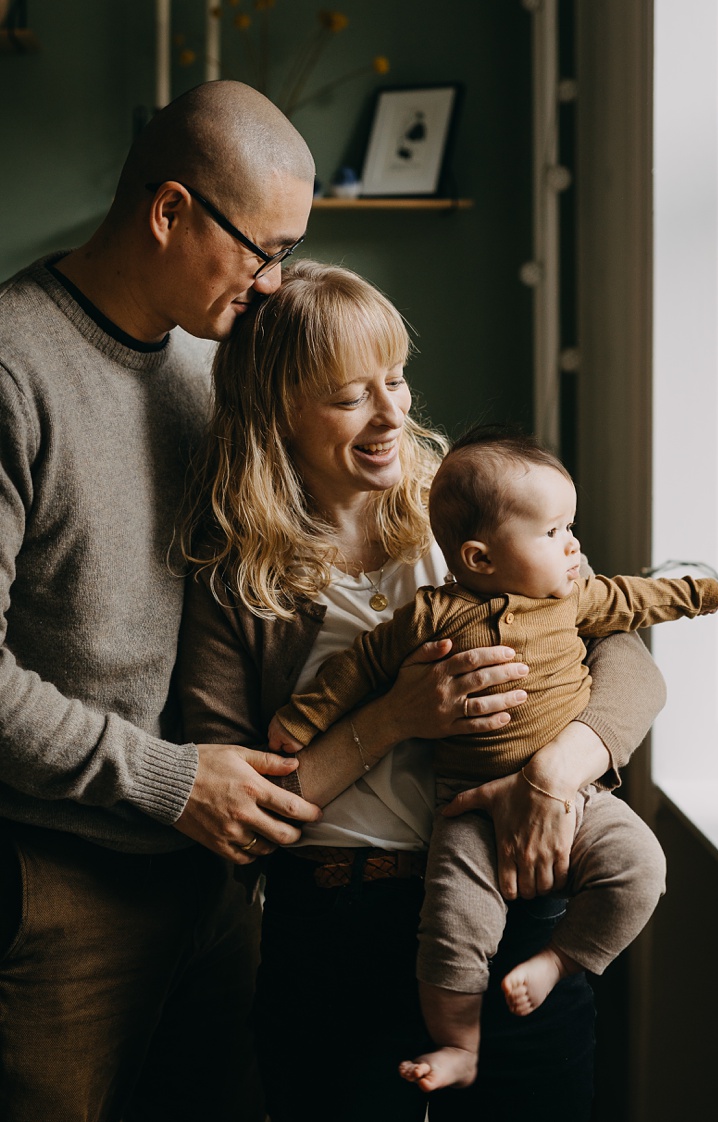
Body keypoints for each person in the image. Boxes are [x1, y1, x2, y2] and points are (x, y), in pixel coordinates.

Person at [175, 260, 667, 1120]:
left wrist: (559, 771)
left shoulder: (473, 515)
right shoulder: (235, 578)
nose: (392, 412)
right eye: (349, 396)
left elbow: (629, 658)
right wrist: (397, 716)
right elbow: (238, 821)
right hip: (337, 927)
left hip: (514, 896)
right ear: (277, 409)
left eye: (396, 380)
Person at [0, 80, 324, 1121]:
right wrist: (169, 780)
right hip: (56, 882)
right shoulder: (12, 366)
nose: (275, 284)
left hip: (211, 879)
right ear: (170, 210)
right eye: (262, 249)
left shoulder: (210, 364)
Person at [269, 428, 718, 1092]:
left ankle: (560, 962)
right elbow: (358, 667)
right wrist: (303, 718)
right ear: (479, 558)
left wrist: (699, 595)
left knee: (641, 866)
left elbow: (633, 605)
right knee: (453, 933)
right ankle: (460, 1044)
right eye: (555, 534)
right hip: (466, 811)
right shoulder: (432, 614)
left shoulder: (570, 592)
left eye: (571, 527)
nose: (574, 545)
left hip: (577, 801)